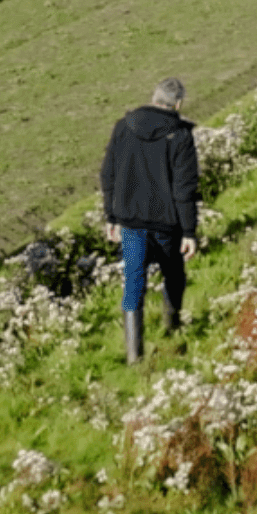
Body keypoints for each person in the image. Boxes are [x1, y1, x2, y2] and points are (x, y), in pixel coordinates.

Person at [98, 76, 200, 364]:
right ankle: (172, 326)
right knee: (174, 274)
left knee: (134, 281)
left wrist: (112, 216)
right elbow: (185, 188)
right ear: (178, 104)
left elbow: (108, 174)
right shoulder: (180, 135)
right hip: (167, 223)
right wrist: (189, 231)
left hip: (130, 221)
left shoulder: (123, 126)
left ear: (153, 97)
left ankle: (134, 356)